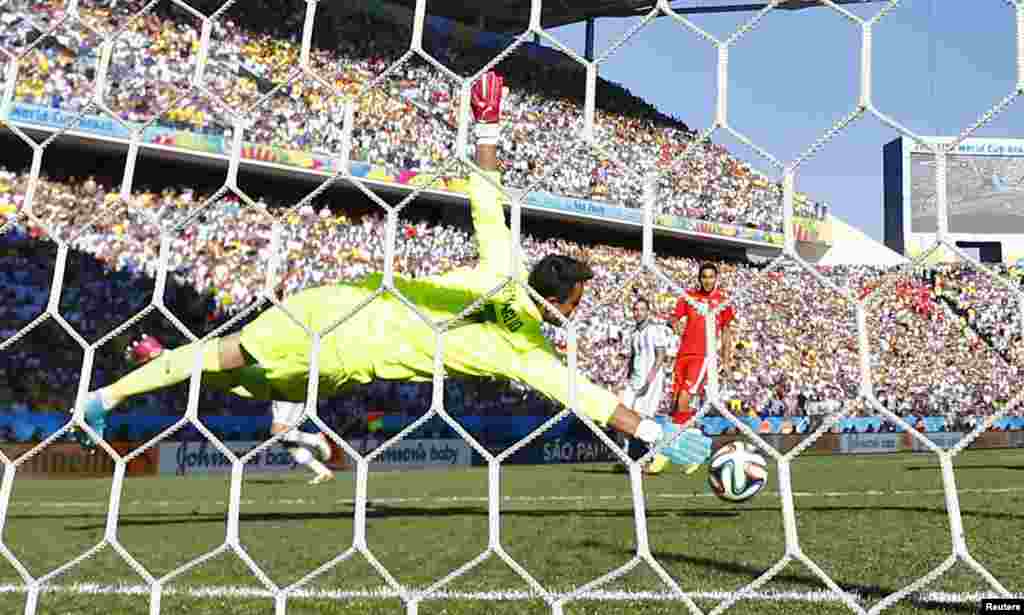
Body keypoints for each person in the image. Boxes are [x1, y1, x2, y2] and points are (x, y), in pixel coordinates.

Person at [70, 71, 710, 470]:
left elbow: (486, 198)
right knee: (242, 373)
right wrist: (654, 431)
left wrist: (486, 124)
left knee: (238, 373)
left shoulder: (502, 268)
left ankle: (157, 365)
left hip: (337, 317)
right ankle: (104, 396)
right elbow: (590, 398)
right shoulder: (525, 352)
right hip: (342, 353)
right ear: (567, 303)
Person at [670, 261, 735, 472]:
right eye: (704, 276)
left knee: (684, 400)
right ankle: (683, 450)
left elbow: (726, 332)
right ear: (699, 278)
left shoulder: (722, 301)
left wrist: (726, 360)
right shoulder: (689, 297)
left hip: (703, 355)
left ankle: (694, 454)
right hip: (683, 355)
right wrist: (675, 324)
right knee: (675, 406)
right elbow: (675, 318)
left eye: (711, 276)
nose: (707, 280)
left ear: (716, 279)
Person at [617, 297, 671, 474]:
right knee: (622, 416)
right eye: (635, 309)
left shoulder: (655, 330)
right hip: (634, 381)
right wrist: (627, 379)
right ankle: (629, 459)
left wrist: (649, 381)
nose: (638, 313)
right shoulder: (634, 334)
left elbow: (661, 356)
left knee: (642, 418)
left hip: (651, 381)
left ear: (648, 312)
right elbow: (633, 358)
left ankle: (656, 456)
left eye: (641, 309)